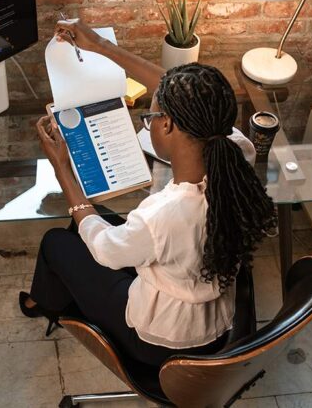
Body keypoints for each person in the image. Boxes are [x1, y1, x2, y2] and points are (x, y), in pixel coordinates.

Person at [18, 20, 277, 367]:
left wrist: (62, 168)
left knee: (55, 242)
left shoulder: (163, 214)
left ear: (167, 124)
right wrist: (100, 45)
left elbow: (105, 250)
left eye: (151, 116)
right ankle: (52, 294)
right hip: (214, 315)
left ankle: (44, 303)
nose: (150, 120)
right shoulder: (239, 151)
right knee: (88, 223)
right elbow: (180, 93)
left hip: (161, 340)